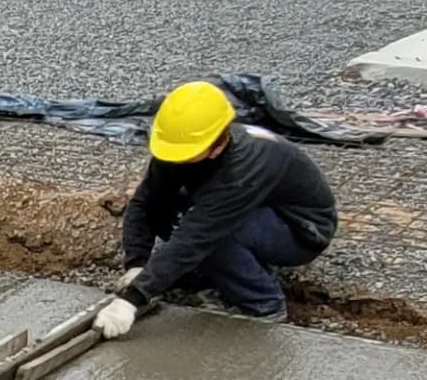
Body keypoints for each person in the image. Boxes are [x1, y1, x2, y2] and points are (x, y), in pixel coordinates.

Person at [96, 81, 339, 336]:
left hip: (300, 229)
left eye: (185, 154)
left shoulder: (242, 168)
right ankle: (231, 270)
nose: (175, 159)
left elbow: (198, 235)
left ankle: (263, 304)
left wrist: (133, 298)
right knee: (169, 207)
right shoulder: (187, 143)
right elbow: (145, 201)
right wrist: (137, 263)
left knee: (214, 236)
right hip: (255, 211)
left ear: (218, 144)